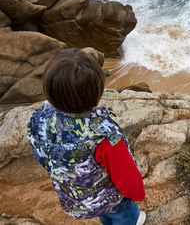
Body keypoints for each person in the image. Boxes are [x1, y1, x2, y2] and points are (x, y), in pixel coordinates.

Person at [27, 48, 146, 225]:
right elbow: (125, 174)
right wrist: (137, 194)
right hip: (111, 200)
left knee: (104, 214)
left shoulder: (41, 118)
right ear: (97, 91)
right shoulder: (104, 135)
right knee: (122, 216)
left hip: (77, 197)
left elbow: (41, 154)